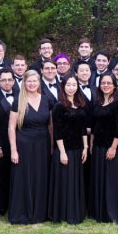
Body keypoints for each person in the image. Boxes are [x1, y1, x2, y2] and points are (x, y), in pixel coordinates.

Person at [8, 70, 52, 224]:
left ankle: (40, 212)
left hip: (43, 144)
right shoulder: (18, 101)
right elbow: (11, 127)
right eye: (29, 81)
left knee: (41, 176)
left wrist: (52, 147)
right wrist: (13, 150)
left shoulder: (46, 100)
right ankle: (23, 212)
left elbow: (51, 125)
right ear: (24, 83)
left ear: (39, 82)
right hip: (24, 145)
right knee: (24, 177)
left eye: (35, 81)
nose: (32, 84)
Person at [88, 73, 118, 223]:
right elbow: (94, 125)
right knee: (100, 179)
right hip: (98, 147)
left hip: (113, 148)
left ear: (114, 85)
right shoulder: (97, 102)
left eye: (109, 83)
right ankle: (99, 211)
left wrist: (113, 147)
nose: (106, 85)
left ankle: (112, 212)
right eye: (103, 83)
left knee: (111, 182)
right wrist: (92, 143)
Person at [48, 76, 88, 224]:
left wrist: (85, 147)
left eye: (74, 84)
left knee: (76, 181)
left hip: (78, 149)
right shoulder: (59, 106)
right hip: (64, 150)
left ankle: (75, 211)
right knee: (65, 181)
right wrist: (62, 152)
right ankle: (63, 213)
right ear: (63, 87)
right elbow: (57, 131)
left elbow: (83, 128)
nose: (71, 87)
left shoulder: (80, 104)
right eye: (68, 85)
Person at [0, 68, 17, 215]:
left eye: (10, 80)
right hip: (1, 143)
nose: (7, 83)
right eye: (4, 80)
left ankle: (14, 204)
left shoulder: (21, 96)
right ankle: (2, 206)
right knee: (1, 176)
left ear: (14, 81)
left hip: (17, 143)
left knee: (16, 175)